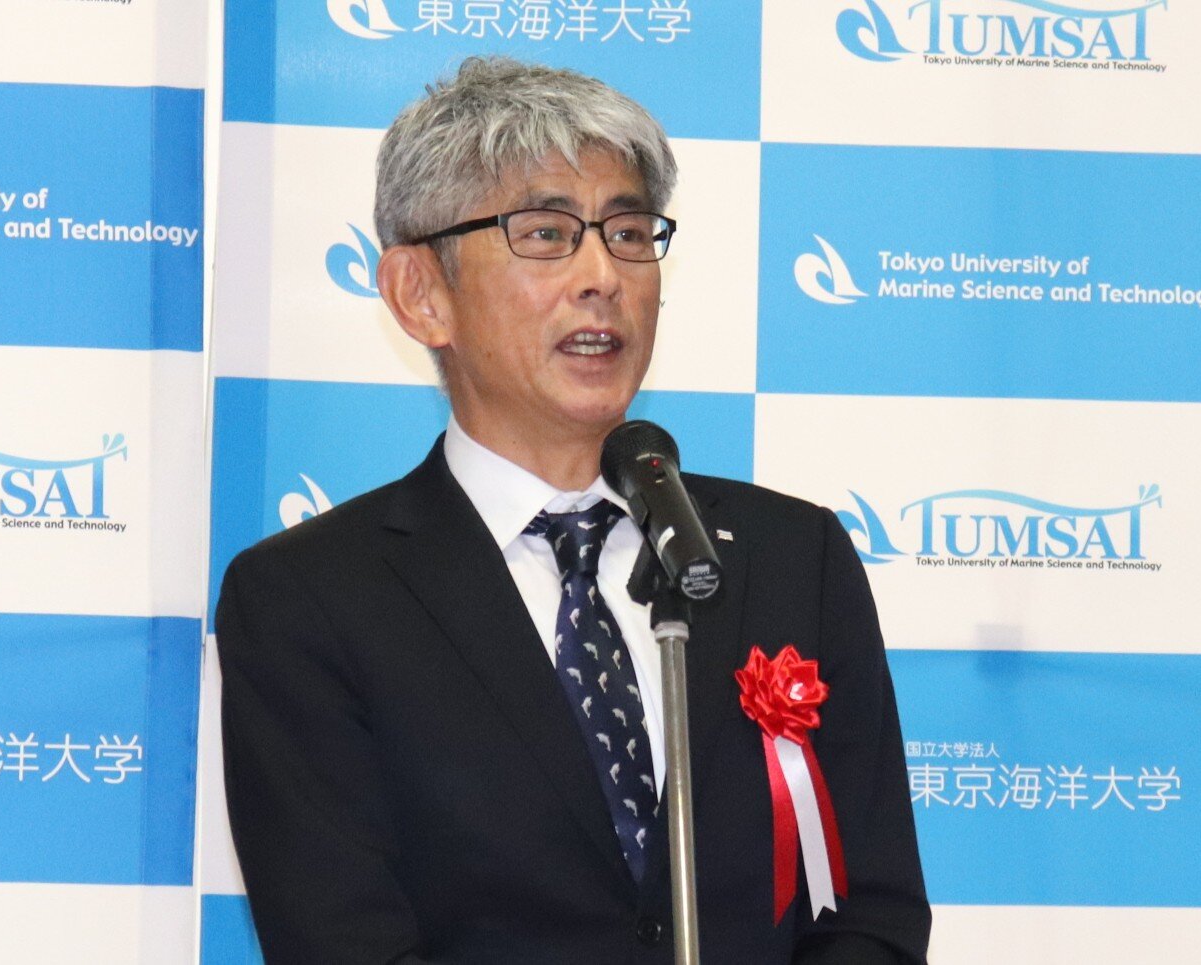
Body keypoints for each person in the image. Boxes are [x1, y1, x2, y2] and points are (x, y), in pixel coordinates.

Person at [216, 56, 930, 964]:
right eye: (547, 233)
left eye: (628, 232)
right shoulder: (309, 600)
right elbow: (343, 940)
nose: (603, 274)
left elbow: (873, 913)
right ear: (420, 294)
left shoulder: (795, 556)